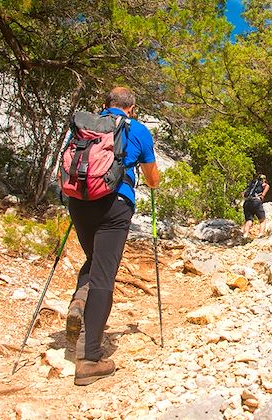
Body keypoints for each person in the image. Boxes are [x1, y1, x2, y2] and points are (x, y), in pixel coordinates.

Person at [65, 86, 160, 386]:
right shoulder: (138, 130)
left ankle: (79, 301)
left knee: (93, 259)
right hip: (115, 204)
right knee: (105, 275)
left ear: (105, 105)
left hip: (79, 201)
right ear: (131, 108)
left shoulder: (86, 126)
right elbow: (153, 179)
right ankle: (90, 359)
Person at [241, 173, 269, 238]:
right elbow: (263, 195)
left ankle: (245, 235)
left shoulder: (251, 184)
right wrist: (261, 196)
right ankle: (261, 235)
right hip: (256, 202)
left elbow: (243, 194)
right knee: (262, 220)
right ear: (264, 179)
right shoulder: (264, 184)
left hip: (247, 202)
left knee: (248, 220)